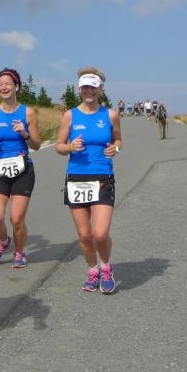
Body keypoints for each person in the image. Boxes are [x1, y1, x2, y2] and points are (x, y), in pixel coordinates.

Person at [55, 67, 121, 295]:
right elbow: (59, 146)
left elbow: (118, 140)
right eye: (85, 87)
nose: (89, 91)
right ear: (79, 89)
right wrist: (70, 147)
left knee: (100, 233)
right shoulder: (70, 115)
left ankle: (106, 268)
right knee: (84, 235)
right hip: (76, 178)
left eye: (93, 87)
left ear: (101, 89)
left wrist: (115, 149)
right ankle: (93, 271)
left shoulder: (110, 115)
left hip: (102, 177)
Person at [0, 68, 41, 269]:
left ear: (16, 87)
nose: (3, 87)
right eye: (0, 84)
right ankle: (4, 241)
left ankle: (20, 252)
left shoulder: (28, 112)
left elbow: (37, 145)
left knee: (16, 219)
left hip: (22, 170)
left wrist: (25, 134)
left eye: (8, 84)